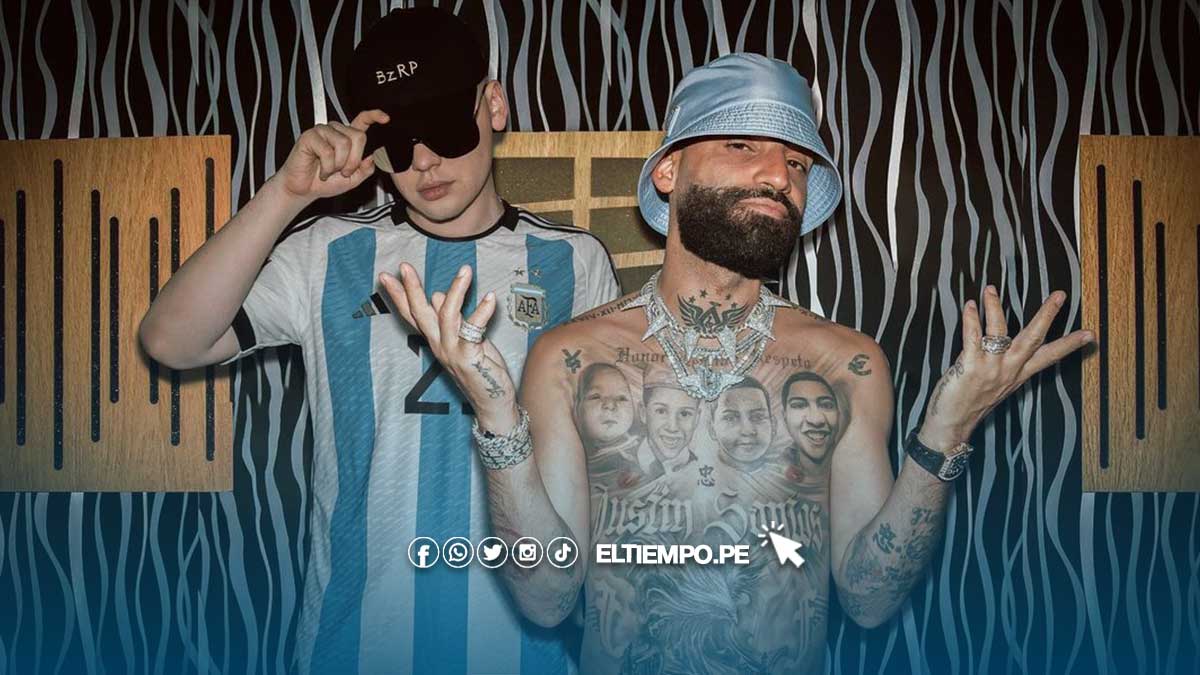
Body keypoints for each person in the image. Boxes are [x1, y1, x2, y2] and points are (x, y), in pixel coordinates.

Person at [380, 52, 1094, 675]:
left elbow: (870, 598)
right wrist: (497, 419)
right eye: (742, 144)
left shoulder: (846, 364)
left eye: (797, 163)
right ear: (668, 171)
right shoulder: (570, 358)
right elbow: (546, 597)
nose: (778, 174)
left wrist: (944, 434)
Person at [138, 8, 619, 675]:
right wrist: (286, 194)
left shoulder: (574, 262)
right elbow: (171, 339)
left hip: (526, 651)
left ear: (493, 105)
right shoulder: (328, 252)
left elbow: (605, 477)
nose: (423, 161)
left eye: (445, 127)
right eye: (397, 140)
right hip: (355, 645)